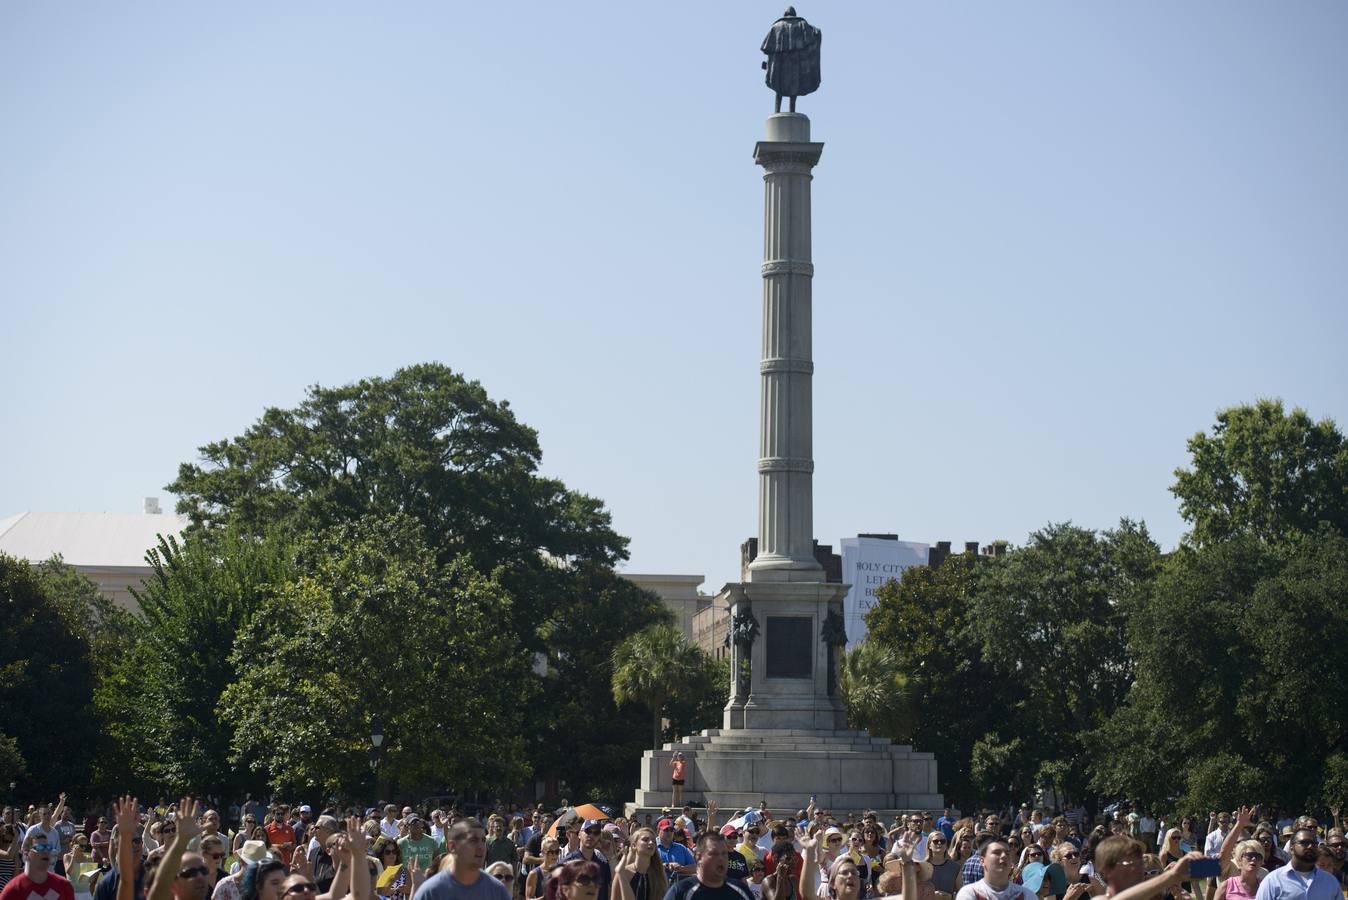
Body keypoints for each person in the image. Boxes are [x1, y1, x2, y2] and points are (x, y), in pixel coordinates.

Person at [414, 818, 510, 900]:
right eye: (473, 840)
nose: (481, 847)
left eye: (483, 840)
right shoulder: (431, 892)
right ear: (452, 847)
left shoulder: (497, 891)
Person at [660, 833, 753, 900]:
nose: (721, 859)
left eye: (724, 854)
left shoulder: (741, 891)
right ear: (698, 857)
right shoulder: (681, 892)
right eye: (714, 854)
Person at [1252, 830, 1339, 900]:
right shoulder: (1273, 881)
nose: (1310, 846)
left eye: (1314, 843)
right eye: (1304, 842)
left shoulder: (1330, 881)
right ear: (1291, 848)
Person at [0, 830, 75, 900]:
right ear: (26, 854)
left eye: (48, 847)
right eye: (40, 848)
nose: (45, 851)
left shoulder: (63, 885)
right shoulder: (13, 890)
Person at [954, 839, 1038, 900]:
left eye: (1007, 853)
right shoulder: (969, 894)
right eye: (997, 852)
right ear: (982, 861)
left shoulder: (1027, 896)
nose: (1004, 856)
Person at [561, 821, 610, 900]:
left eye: (596, 833)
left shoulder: (603, 865)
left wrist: (611, 857)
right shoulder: (567, 863)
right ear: (579, 835)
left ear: (599, 837)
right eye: (588, 831)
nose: (591, 835)